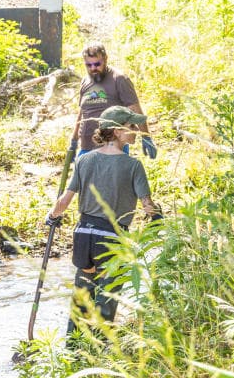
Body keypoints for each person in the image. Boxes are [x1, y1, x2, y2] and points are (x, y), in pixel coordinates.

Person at [47, 106, 160, 337]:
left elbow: (64, 200)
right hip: (112, 238)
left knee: (82, 297)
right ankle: (99, 348)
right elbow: (147, 205)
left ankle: (73, 346)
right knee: (106, 300)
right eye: (131, 126)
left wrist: (52, 217)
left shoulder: (84, 160)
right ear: (117, 131)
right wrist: (158, 217)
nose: (135, 130)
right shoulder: (133, 165)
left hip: (84, 236)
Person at [71, 43, 156, 160]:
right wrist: (74, 141)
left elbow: (134, 109)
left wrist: (146, 136)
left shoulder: (119, 79)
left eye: (97, 64)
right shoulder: (85, 81)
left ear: (105, 59)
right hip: (86, 148)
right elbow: (82, 113)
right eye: (88, 65)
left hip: (113, 149)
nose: (93, 68)